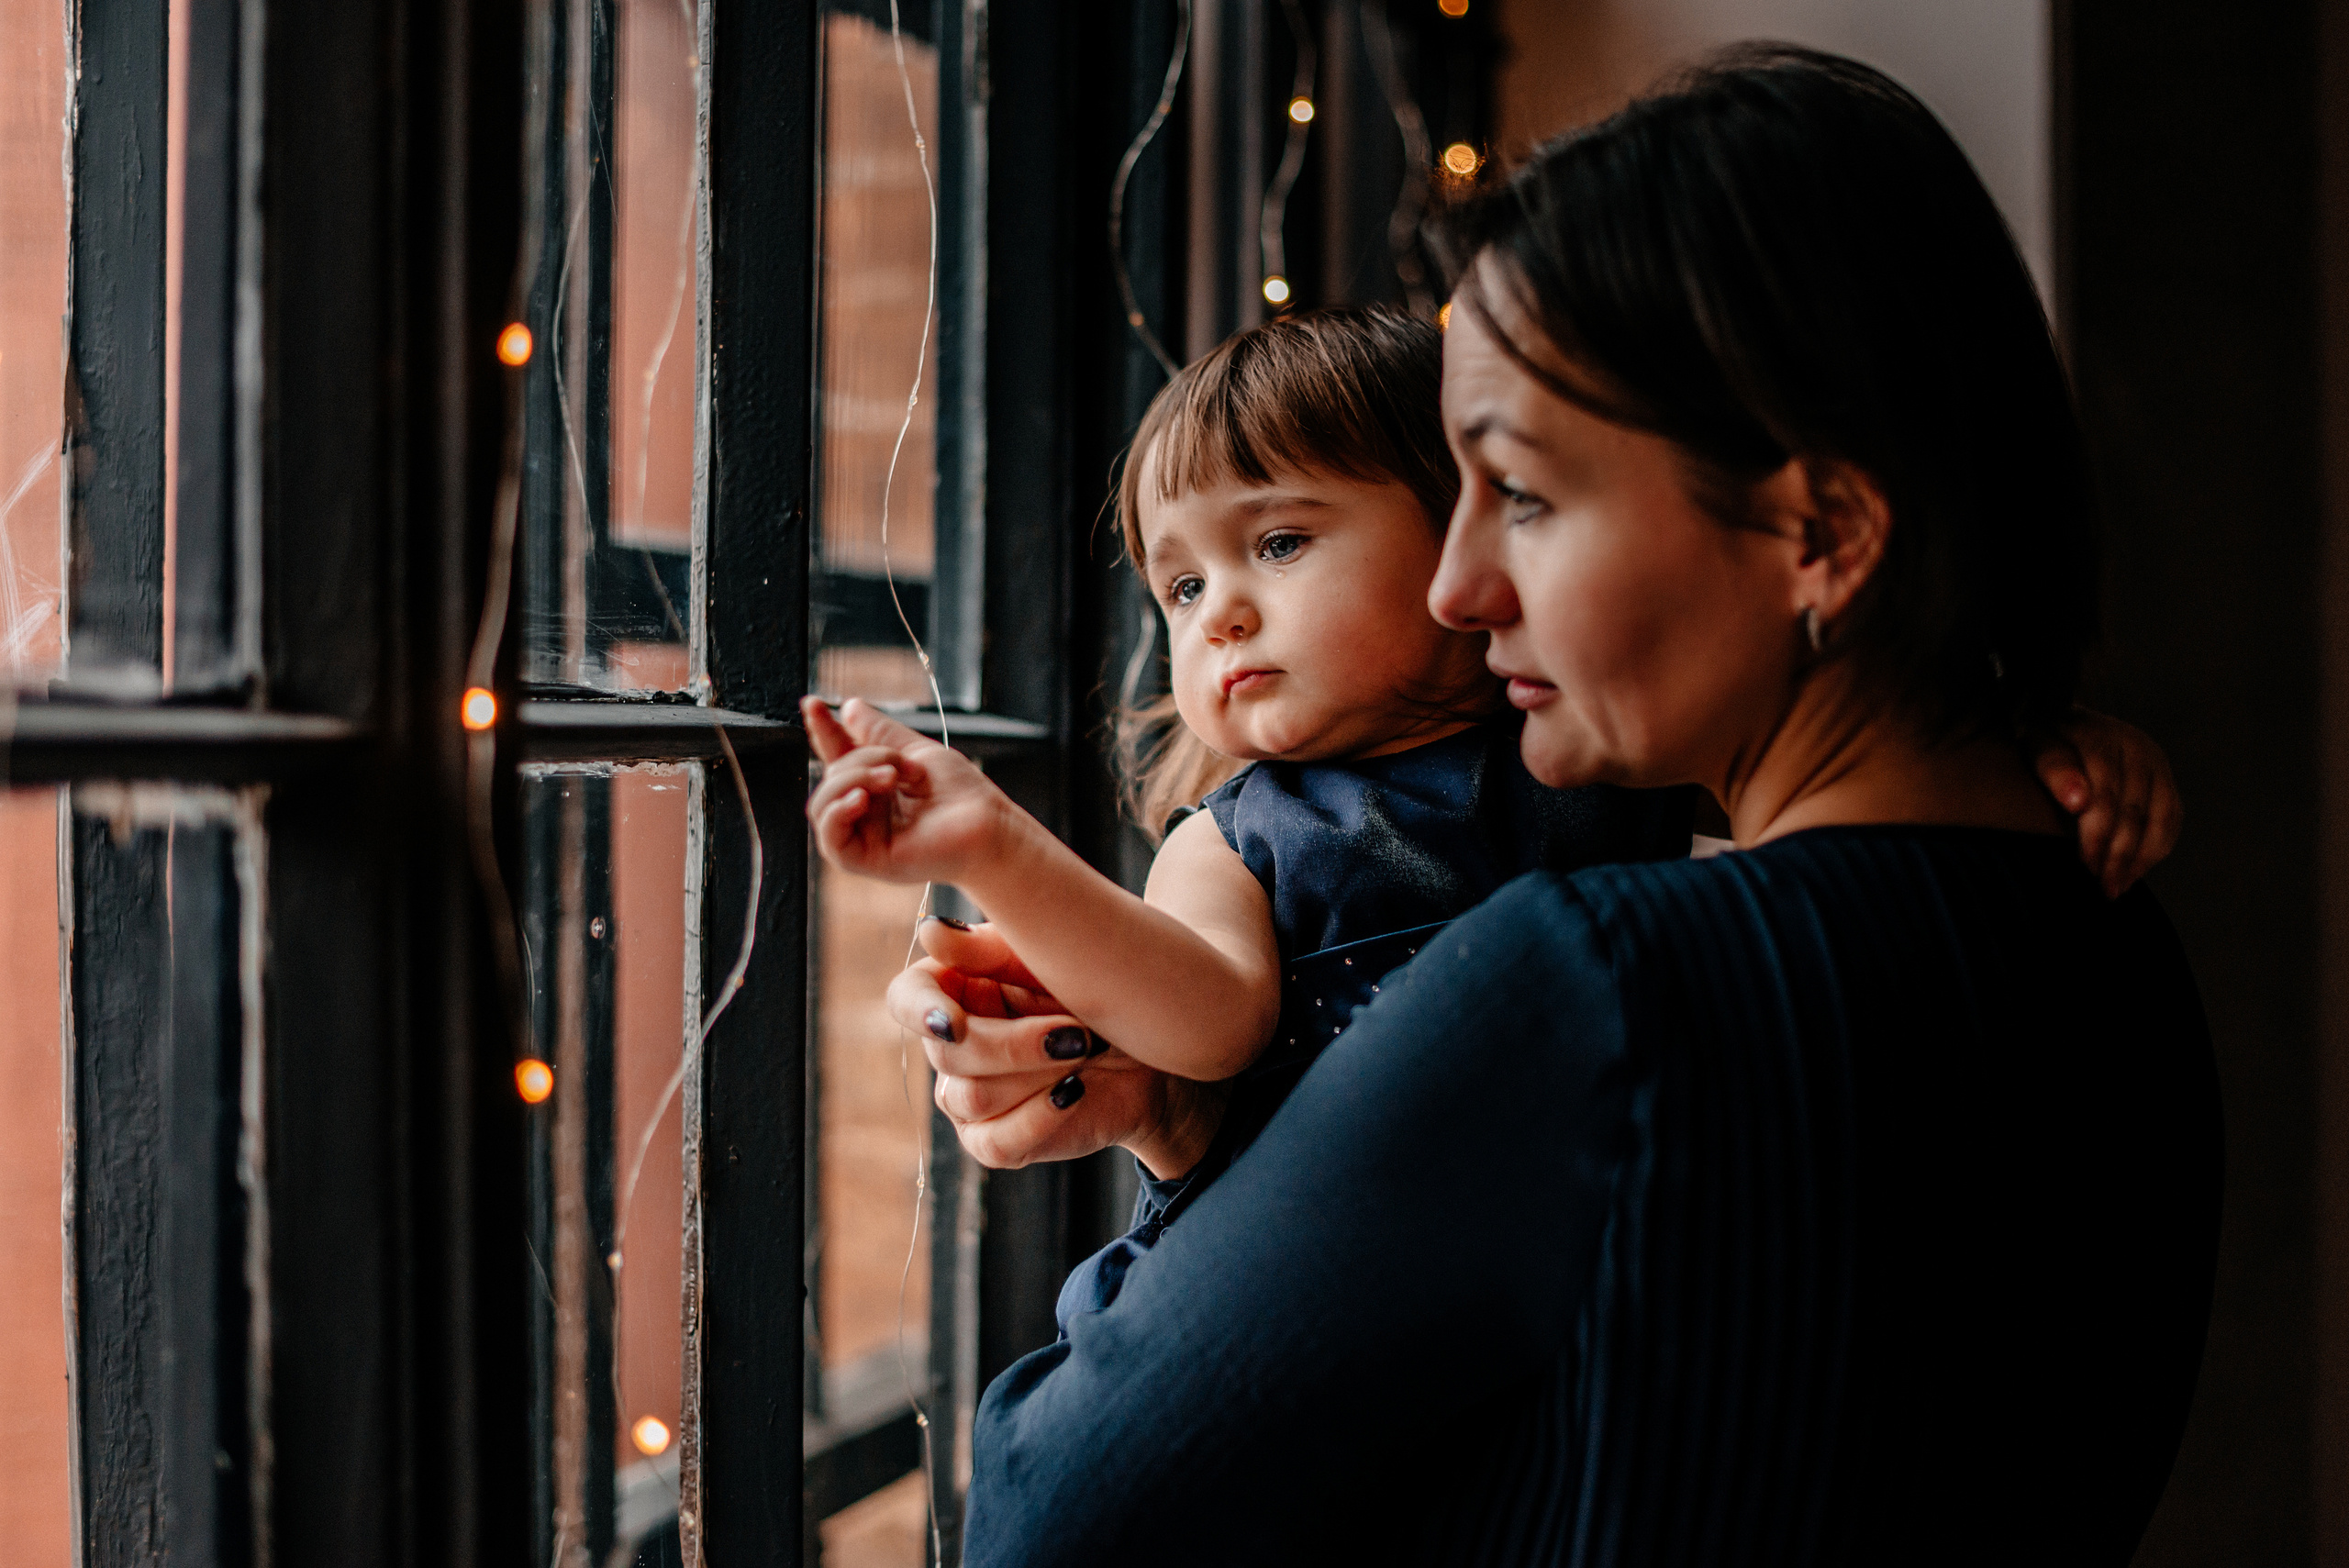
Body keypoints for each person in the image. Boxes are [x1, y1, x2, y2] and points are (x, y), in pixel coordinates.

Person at [894, 45, 2223, 1565]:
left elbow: (1044, 1520)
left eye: (1521, 492)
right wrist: (1226, 1115)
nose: (1463, 586)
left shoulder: (1595, 987)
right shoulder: (2120, 940)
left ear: (1822, 532)